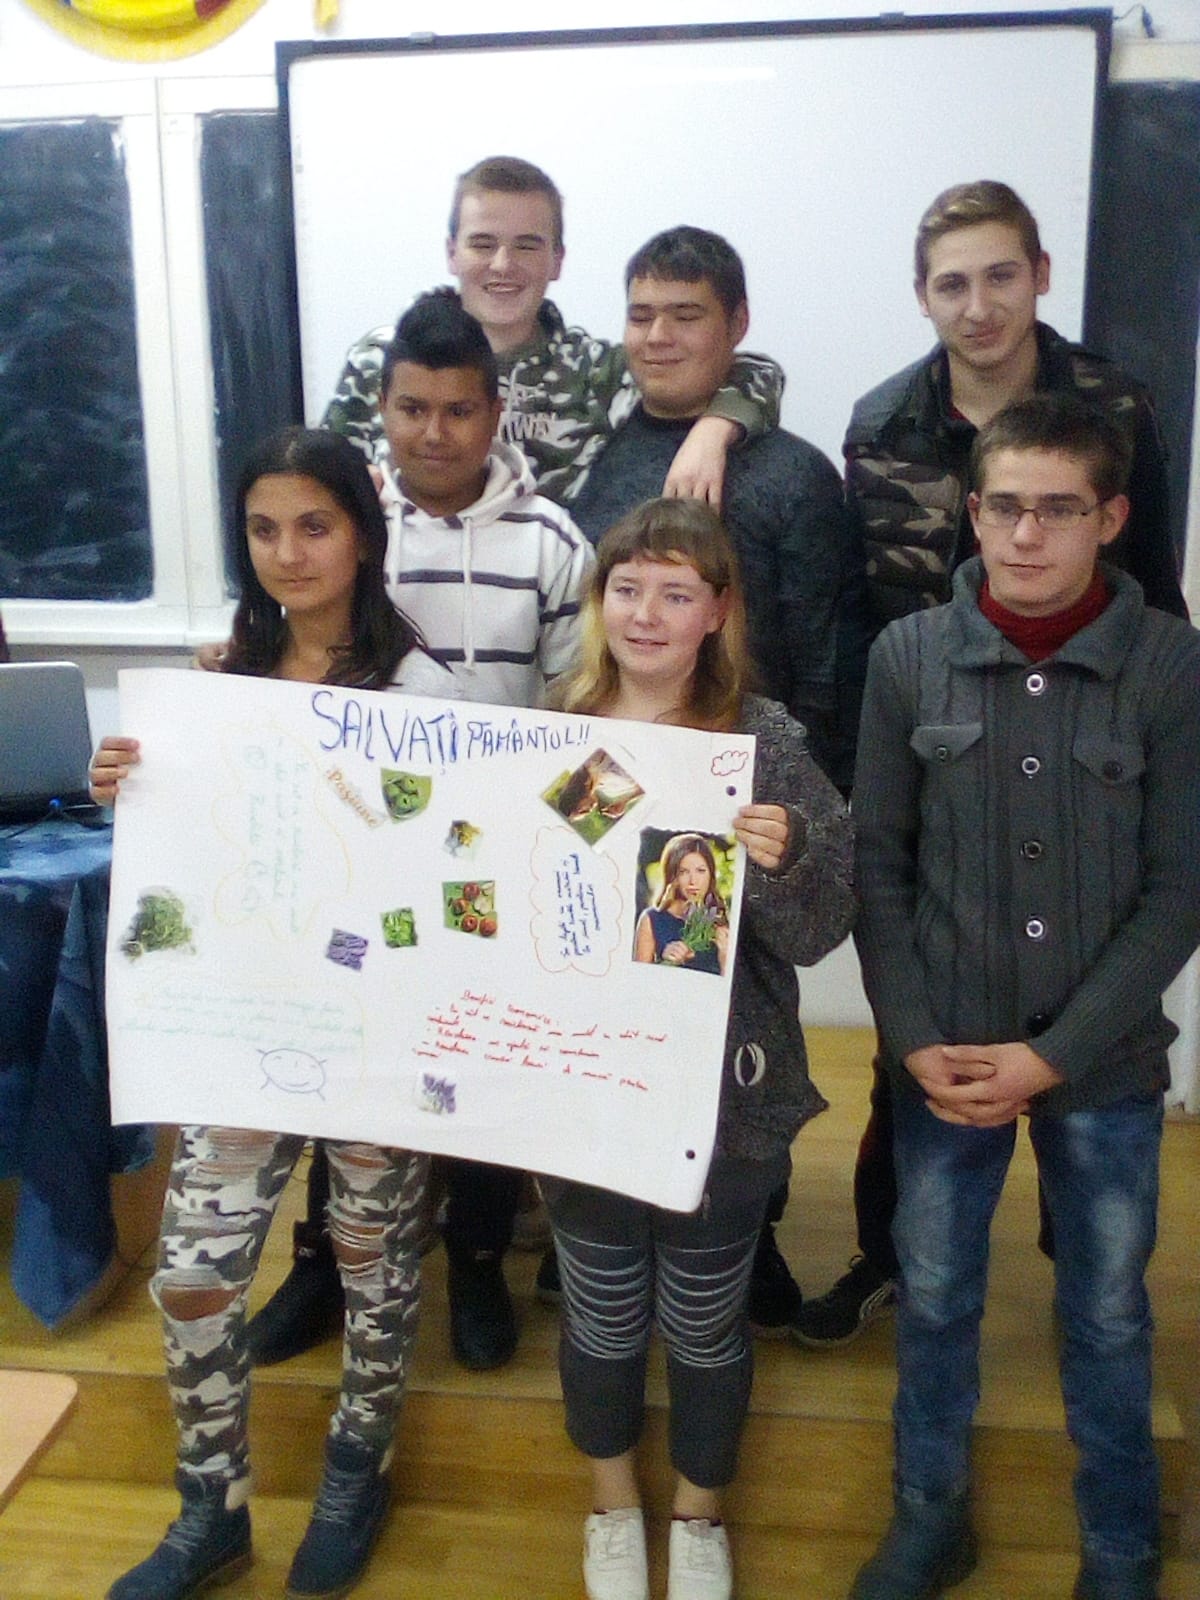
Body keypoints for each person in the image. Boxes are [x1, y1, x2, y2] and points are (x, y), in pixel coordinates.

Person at [801, 178, 1190, 1349]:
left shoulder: (1115, 403)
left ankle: (1084, 1260)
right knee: (912, 1050)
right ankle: (891, 1257)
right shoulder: (881, 421)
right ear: (923, 295)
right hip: (930, 735)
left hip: (1083, 733)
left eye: (1001, 276)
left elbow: (1150, 578)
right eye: (953, 283)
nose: (979, 306)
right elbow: (862, 606)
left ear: (1041, 276)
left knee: (1090, 1062)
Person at [92, 426, 456, 1600]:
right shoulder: (215, 686)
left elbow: (450, 874)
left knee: (375, 1263)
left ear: (362, 536)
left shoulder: (424, 691)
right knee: (194, 1271)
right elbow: (192, 859)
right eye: (262, 528)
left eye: (314, 525)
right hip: (242, 1028)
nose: (288, 552)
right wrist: (132, 786)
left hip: (373, 1032)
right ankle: (212, 1505)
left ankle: (358, 1470)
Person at [848, 393, 1200, 1600]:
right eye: (1005, 507)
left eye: (1059, 509)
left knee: (1105, 1309)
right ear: (974, 512)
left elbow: (1180, 890)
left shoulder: (1171, 666)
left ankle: (1121, 1539)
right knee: (936, 1293)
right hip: (945, 1056)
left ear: (1111, 517)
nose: (1027, 535)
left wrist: (1057, 1055)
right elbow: (878, 867)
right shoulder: (908, 659)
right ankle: (929, 1513)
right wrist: (911, 1039)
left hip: (1104, 1065)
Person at [246, 290, 595, 1376]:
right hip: (355, 850)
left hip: (490, 854)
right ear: (383, 409)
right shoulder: (342, 522)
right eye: (410, 408)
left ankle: (477, 1261)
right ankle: (322, 1264)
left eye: (457, 409)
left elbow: (581, 700)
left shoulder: (552, 542)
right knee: (346, 1057)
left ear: (495, 412)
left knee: (475, 1065)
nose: (433, 433)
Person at [543, 497, 855, 1600]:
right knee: (601, 1314)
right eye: (627, 588)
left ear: (717, 611)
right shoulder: (560, 730)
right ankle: (612, 1507)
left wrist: (784, 860)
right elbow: (511, 895)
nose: (646, 613)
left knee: (705, 1321)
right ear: (599, 601)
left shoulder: (760, 746)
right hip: (583, 1091)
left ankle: (699, 1516)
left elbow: (820, 929)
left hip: (725, 1099)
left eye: (676, 593)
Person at [565, 224, 869, 1336]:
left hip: (738, 798)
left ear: (736, 328)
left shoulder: (792, 476)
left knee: (729, 1016)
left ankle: (747, 1225)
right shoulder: (603, 456)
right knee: (623, 993)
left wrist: (799, 802)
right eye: (641, 313)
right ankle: (620, 1210)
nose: (658, 335)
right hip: (615, 769)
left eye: (685, 315)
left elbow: (828, 648)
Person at [323, 155, 784, 509]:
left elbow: (752, 370)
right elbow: (318, 483)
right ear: (451, 253)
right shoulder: (381, 359)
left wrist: (713, 432)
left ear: (557, 260)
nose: (503, 265)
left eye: (527, 246)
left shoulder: (596, 371)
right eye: (483, 244)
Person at [634, 832, 729, 975]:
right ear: (672, 876)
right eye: (684, 872)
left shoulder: (720, 920)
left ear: (711, 874)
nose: (693, 881)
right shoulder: (652, 919)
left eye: (701, 871)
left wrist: (725, 956)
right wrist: (665, 961)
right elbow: (638, 979)